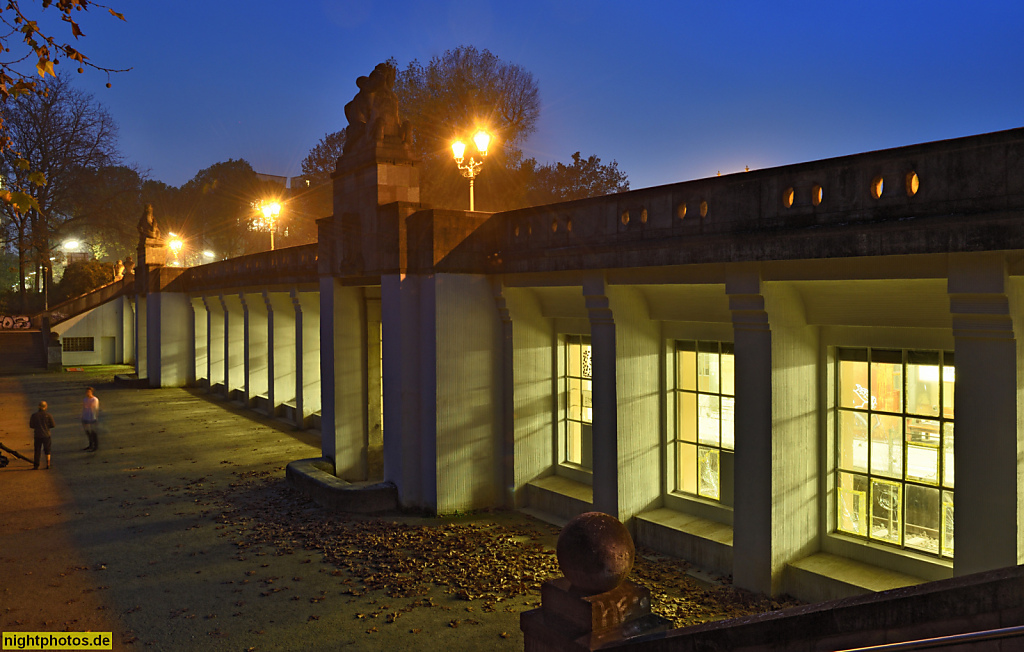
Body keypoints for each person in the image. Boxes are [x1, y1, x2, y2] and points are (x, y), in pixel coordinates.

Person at [30, 401, 56, 470]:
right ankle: (48, 464)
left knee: (37, 450)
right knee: (47, 450)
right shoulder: (48, 415)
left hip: (37, 435)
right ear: (46, 407)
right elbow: (53, 425)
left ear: (38, 407)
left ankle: (36, 465)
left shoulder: (34, 415)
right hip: (46, 435)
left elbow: (31, 425)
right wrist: (46, 427)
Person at [82, 387, 100, 452]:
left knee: (93, 432)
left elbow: (95, 408)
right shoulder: (85, 399)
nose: (87, 393)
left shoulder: (94, 399)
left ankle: (95, 446)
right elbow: (84, 408)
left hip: (92, 417)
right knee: (88, 432)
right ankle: (90, 444)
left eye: (89, 392)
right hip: (86, 417)